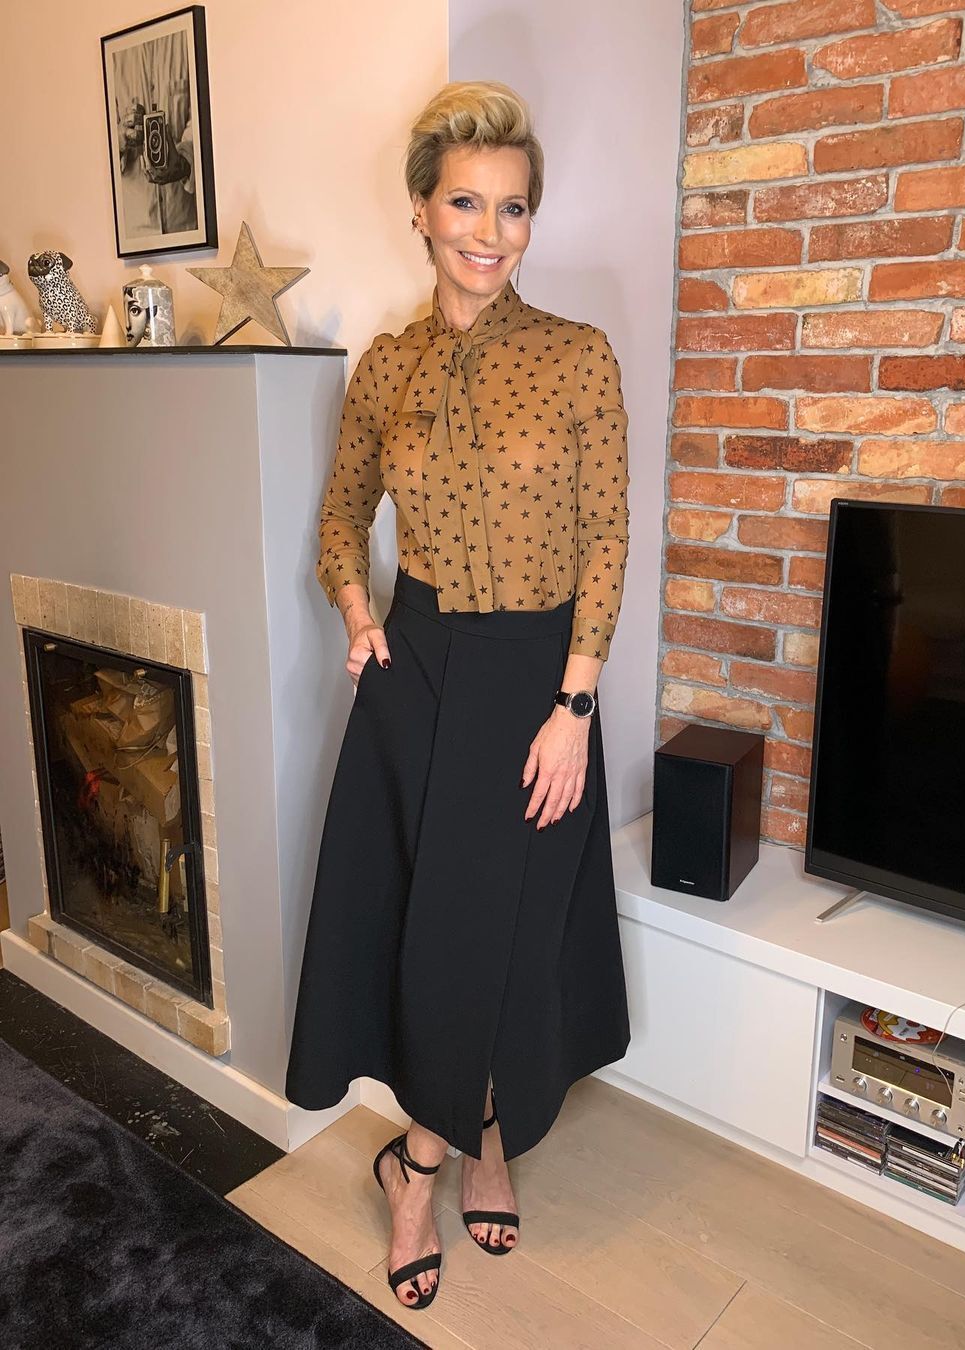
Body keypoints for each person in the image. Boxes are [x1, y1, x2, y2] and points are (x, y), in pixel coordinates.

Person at [284, 80, 632, 1312]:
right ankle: (429, 1168)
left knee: (511, 935)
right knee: (429, 938)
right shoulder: (387, 367)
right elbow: (341, 517)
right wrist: (359, 614)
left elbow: (607, 536)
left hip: (540, 686)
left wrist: (575, 706)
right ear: (423, 212)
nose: (490, 232)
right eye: (467, 204)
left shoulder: (578, 356)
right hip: (421, 677)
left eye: (513, 208)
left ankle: (453, 1146)